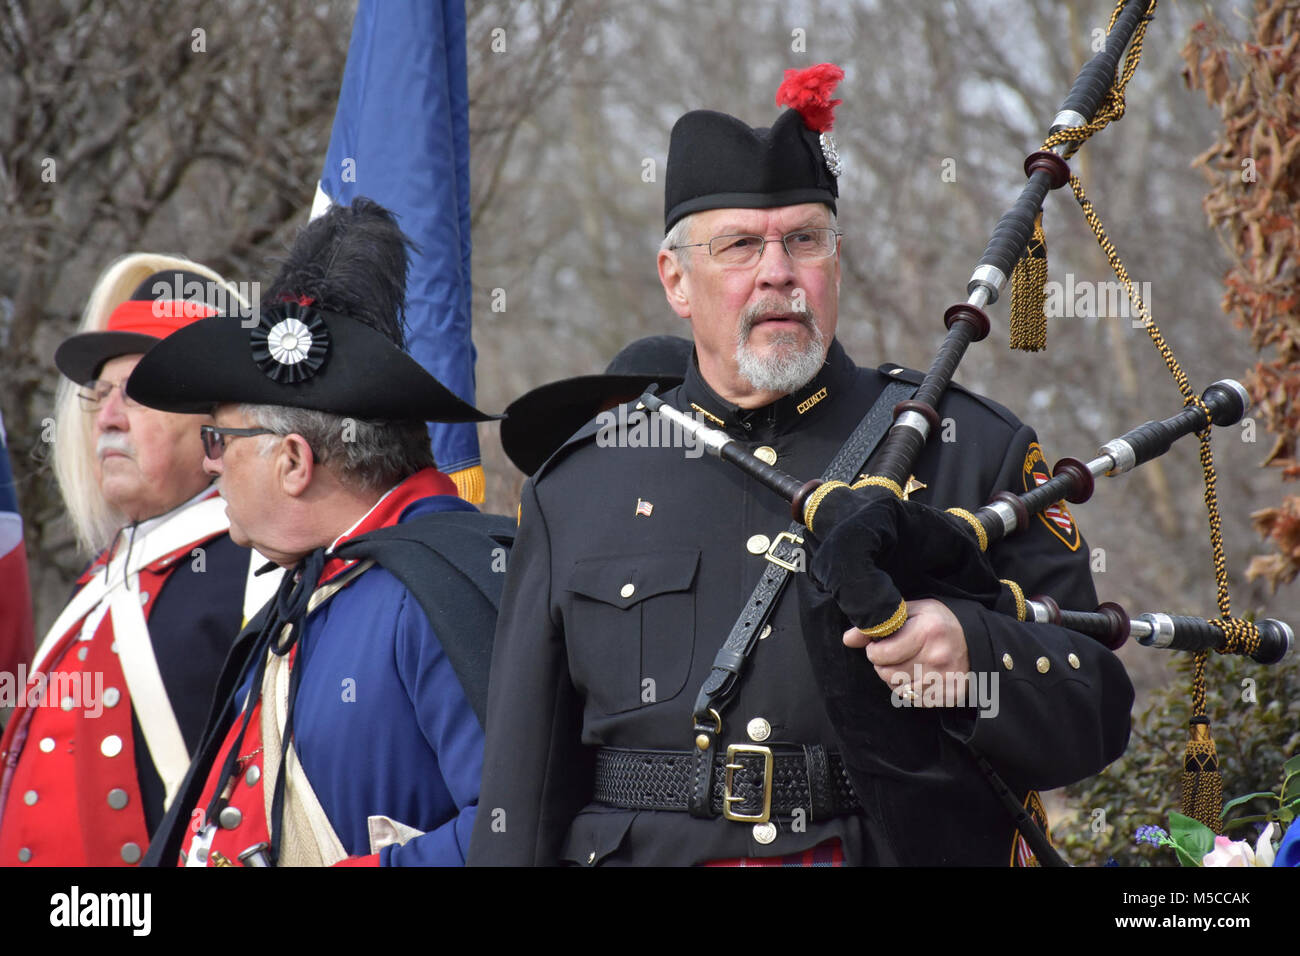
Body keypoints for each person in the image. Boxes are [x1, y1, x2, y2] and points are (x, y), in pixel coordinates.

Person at [469, 64, 1134, 866]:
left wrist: (973, 655)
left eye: (805, 240)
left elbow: (1094, 713)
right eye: (741, 245)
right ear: (676, 280)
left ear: (836, 262)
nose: (778, 271)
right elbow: (524, 783)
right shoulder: (578, 488)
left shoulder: (971, 447)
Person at [129, 198, 506, 867]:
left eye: (219, 438)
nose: (209, 461)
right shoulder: (315, 587)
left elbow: (517, 820)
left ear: (294, 461)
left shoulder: (439, 587)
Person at [0, 255, 266, 867]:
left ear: (215, 424)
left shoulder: (257, 570)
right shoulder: (100, 579)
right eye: (100, 397)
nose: (109, 419)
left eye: (139, 393)